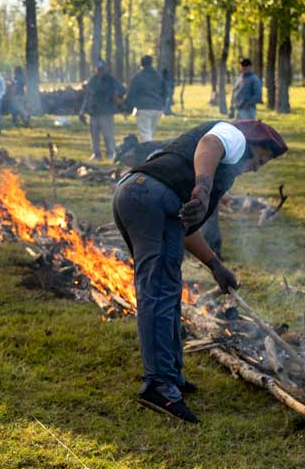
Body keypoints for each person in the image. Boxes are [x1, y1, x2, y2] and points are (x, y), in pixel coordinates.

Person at [113, 120, 287, 423]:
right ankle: (158, 386)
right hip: (150, 197)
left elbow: (186, 228)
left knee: (168, 290)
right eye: (260, 160)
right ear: (253, 143)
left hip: (137, 195)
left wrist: (215, 265)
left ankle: (171, 376)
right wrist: (203, 190)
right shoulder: (233, 136)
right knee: (158, 292)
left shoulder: (218, 170)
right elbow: (210, 143)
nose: (255, 169)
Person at [79, 60, 125, 161]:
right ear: (95, 69)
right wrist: (82, 111)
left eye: (102, 69)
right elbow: (87, 97)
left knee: (108, 135)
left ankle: (111, 154)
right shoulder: (92, 80)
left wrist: (115, 95)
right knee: (94, 136)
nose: (100, 71)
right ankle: (96, 154)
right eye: (98, 69)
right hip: (94, 112)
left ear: (105, 69)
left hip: (106, 112)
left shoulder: (111, 80)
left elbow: (122, 89)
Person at [126, 55, 166, 143]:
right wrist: (163, 105)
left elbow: (132, 94)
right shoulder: (158, 76)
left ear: (141, 64)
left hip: (144, 108)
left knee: (145, 134)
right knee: (150, 133)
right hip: (158, 108)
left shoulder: (137, 77)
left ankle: (148, 150)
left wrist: (128, 108)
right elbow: (164, 92)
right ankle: (151, 148)